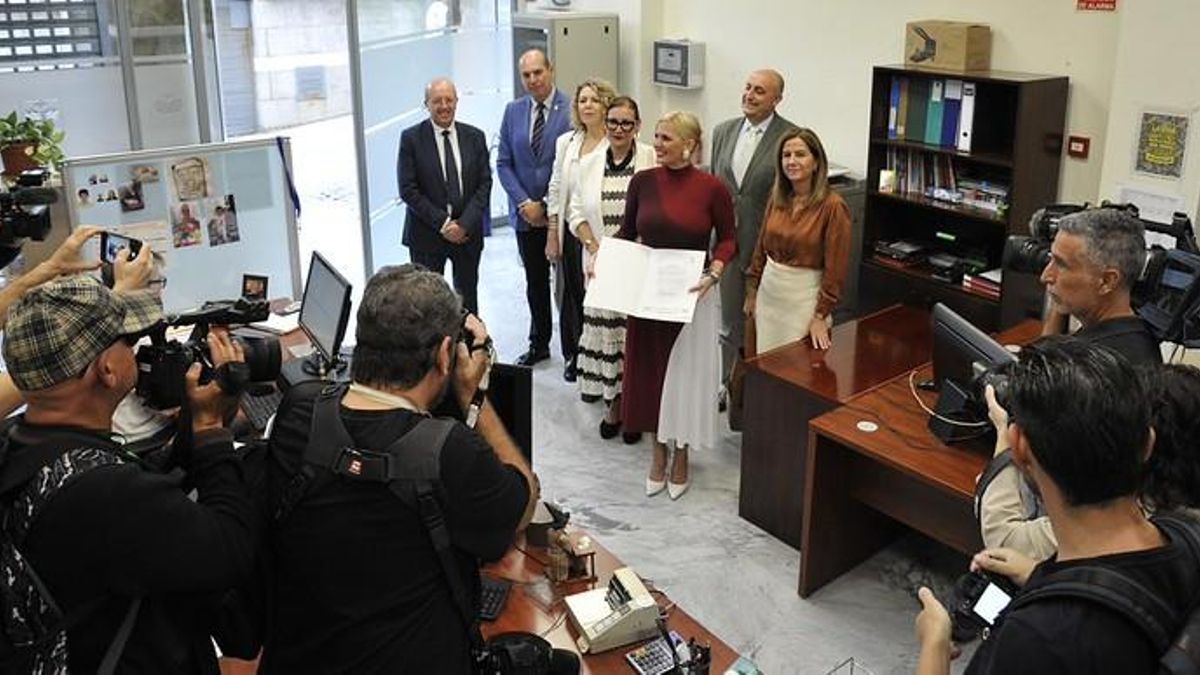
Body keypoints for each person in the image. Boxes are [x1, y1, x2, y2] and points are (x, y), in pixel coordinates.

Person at [260, 264, 538, 673]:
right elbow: (523, 501)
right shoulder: (448, 451)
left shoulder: (298, 410)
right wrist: (473, 397)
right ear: (445, 354)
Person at [0, 267, 255, 671]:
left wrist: (194, 424)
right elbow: (230, 554)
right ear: (106, 369)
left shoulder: (16, 440)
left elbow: (142, 493)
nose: (137, 350)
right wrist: (211, 432)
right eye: (129, 340)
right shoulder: (107, 494)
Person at [915, 337, 1200, 675]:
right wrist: (1039, 575)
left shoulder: (1039, 639)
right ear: (1146, 444)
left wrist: (934, 644)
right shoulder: (1187, 537)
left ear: (1018, 448)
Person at [613, 111, 735, 500]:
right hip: (648, 296)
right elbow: (627, 233)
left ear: (689, 144)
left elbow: (729, 239)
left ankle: (681, 452)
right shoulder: (642, 182)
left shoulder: (712, 188)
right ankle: (657, 450)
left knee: (683, 375)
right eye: (657, 136)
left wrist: (715, 272)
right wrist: (604, 262)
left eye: (665, 138)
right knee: (650, 374)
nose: (657, 144)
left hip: (690, 297)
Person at [978, 361, 1200, 560]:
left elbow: (1004, 539)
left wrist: (1006, 441)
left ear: (1144, 443)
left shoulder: (1124, 519)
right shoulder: (1184, 524)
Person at [568, 95, 655, 440]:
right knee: (608, 341)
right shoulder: (588, 163)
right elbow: (576, 212)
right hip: (600, 265)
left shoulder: (650, 159)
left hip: (638, 263)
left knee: (634, 341)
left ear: (637, 126)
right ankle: (613, 406)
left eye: (627, 123)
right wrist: (593, 247)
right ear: (605, 125)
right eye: (614, 122)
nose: (619, 129)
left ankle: (635, 411)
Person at [709, 70, 798, 383]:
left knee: (763, 326)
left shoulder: (790, 138)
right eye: (747, 87)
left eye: (759, 91)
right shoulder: (723, 131)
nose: (749, 95)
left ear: (777, 99)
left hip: (768, 248)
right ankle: (727, 385)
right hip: (726, 243)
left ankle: (758, 390)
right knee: (728, 323)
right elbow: (715, 189)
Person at [743, 127, 850, 353]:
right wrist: (752, 292)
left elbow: (835, 270)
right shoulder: (777, 197)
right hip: (769, 297)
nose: (791, 161)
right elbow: (760, 248)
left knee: (796, 368)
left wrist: (821, 315)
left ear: (816, 162)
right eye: (786, 155)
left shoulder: (833, 207)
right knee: (762, 364)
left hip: (803, 303)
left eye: (800, 154)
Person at [497, 49, 572, 366]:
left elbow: (573, 166)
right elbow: (503, 163)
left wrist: (546, 206)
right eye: (526, 75)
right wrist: (525, 203)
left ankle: (574, 353)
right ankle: (539, 343)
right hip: (526, 217)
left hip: (562, 216)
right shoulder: (513, 110)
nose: (532, 80)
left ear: (551, 70)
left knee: (568, 288)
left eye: (538, 72)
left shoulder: (572, 109)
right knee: (536, 284)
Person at [398, 77, 493, 315]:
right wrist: (444, 224)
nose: (444, 106)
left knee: (468, 301)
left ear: (457, 102)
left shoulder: (475, 137)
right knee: (428, 306)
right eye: (437, 101)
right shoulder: (411, 139)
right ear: (426, 104)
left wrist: (463, 225)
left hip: (467, 235)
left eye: (449, 100)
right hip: (427, 236)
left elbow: (484, 184)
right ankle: (434, 352)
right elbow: (408, 189)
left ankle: (470, 349)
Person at [544, 77, 617, 382]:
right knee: (571, 295)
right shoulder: (567, 142)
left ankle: (599, 356)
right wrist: (551, 232)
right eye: (582, 100)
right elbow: (556, 185)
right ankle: (573, 355)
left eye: (594, 100)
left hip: (602, 234)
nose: (587, 105)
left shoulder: (613, 144)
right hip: (570, 231)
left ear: (606, 106)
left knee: (598, 297)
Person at [1040, 207, 1161, 365]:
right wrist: (1060, 299)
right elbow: (1043, 360)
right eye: (1051, 259)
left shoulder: (1092, 366)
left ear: (1107, 281)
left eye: (1061, 264)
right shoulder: (1126, 332)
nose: (1045, 276)